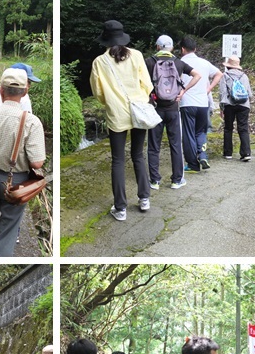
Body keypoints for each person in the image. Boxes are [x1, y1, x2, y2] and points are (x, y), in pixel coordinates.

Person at [0, 68, 46, 257]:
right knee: (9, 226)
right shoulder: (32, 122)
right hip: (17, 180)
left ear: (1, 90)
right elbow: (37, 163)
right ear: (25, 92)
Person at [89, 20, 154, 221]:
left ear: (106, 39)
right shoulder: (137, 55)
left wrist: (110, 101)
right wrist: (141, 98)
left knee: (117, 160)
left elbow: (98, 92)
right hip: (139, 111)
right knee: (138, 155)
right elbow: (147, 84)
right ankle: (144, 199)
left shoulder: (100, 62)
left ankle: (121, 208)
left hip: (117, 114)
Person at [144, 35, 201, 190]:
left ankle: (155, 181)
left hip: (155, 109)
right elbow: (198, 75)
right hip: (173, 109)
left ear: (157, 47)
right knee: (175, 144)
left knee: (153, 146)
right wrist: (183, 91)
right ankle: (177, 180)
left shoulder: (149, 62)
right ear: (171, 48)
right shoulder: (179, 63)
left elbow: (139, 82)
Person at [179, 36, 222, 173]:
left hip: (187, 102)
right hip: (203, 103)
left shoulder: (180, 62)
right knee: (201, 132)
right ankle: (203, 155)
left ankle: (192, 164)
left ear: (182, 49)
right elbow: (219, 74)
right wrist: (209, 89)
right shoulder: (204, 62)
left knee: (188, 134)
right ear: (195, 49)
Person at [219, 55, 253, 161]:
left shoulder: (225, 76)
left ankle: (228, 153)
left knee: (228, 128)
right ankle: (246, 153)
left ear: (228, 66)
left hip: (230, 104)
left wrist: (221, 107)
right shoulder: (244, 76)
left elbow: (222, 93)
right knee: (243, 128)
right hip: (244, 104)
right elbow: (249, 93)